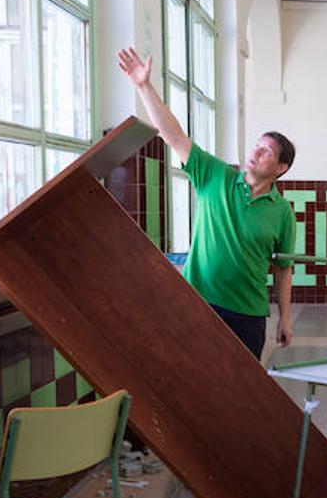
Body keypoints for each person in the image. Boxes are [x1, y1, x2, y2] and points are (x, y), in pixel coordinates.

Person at [118, 46, 296, 360]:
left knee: (238, 392)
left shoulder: (282, 212)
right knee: (189, 385)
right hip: (197, 302)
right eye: (256, 146)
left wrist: (285, 317)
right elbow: (172, 134)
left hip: (248, 315)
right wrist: (144, 86)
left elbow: (283, 270)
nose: (255, 152)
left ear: (280, 168)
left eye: (266, 151)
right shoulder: (215, 176)